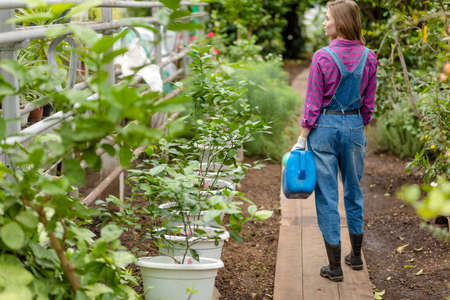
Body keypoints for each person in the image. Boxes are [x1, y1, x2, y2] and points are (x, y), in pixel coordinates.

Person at [291, 0, 377, 282]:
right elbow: (369, 104)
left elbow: (312, 103)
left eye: (327, 18)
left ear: (340, 22)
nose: (324, 23)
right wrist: (355, 125)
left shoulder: (322, 57)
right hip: (353, 126)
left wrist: (302, 137)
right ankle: (355, 256)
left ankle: (334, 267)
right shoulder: (370, 57)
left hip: (324, 129)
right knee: (354, 190)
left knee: (327, 195)